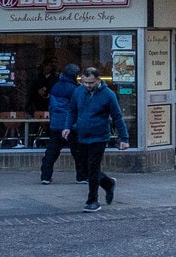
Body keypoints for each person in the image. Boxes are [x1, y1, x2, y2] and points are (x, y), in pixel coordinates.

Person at [63, 68, 129, 211]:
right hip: (82, 135)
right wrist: (67, 126)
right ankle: (107, 183)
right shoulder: (78, 91)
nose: (87, 85)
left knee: (93, 168)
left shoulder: (108, 95)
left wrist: (124, 138)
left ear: (99, 80)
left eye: (91, 83)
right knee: (85, 169)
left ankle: (93, 200)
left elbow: (117, 117)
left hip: (99, 137)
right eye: (85, 82)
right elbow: (72, 110)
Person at [38, 63, 81, 185]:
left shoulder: (55, 86)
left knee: (51, 153)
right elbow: (76, 107)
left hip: (56, 124)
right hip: (70, 125)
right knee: (78, 153)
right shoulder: (75, 89)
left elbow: (52, 105)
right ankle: (81, 176)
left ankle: (45, 176)